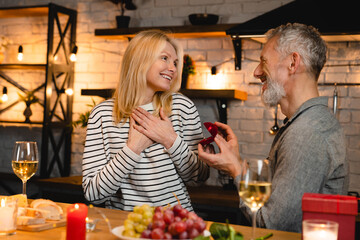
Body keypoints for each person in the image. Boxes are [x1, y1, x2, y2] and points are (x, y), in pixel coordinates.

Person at [198, 23, 348, 232]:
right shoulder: (308, 123)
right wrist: (237, 162)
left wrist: (235, 169)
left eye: (263, 61)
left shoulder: (306, 132)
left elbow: (273, 225)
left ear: (292, 63)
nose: (257, 72)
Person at [82, 30, 209, 212]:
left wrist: (170, 140)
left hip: (176, 224)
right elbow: (93, 193)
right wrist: (132, 149)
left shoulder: (182, 107)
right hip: (124, 226)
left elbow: (200, 176)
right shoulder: (102, 114)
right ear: (140, 60)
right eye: (164, 58)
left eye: (175, 62)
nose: (173, 68)